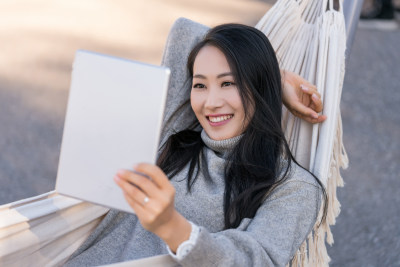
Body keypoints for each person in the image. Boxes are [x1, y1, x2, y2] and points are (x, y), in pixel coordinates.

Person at [65, 23, 326, 267]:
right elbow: (184, 30)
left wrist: (172, 227)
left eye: (228, 83)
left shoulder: (292, 186)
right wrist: (277, 75)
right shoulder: (175, 135)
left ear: (259, 85)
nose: (210, 102)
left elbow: (256, 258)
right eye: (200, 85)